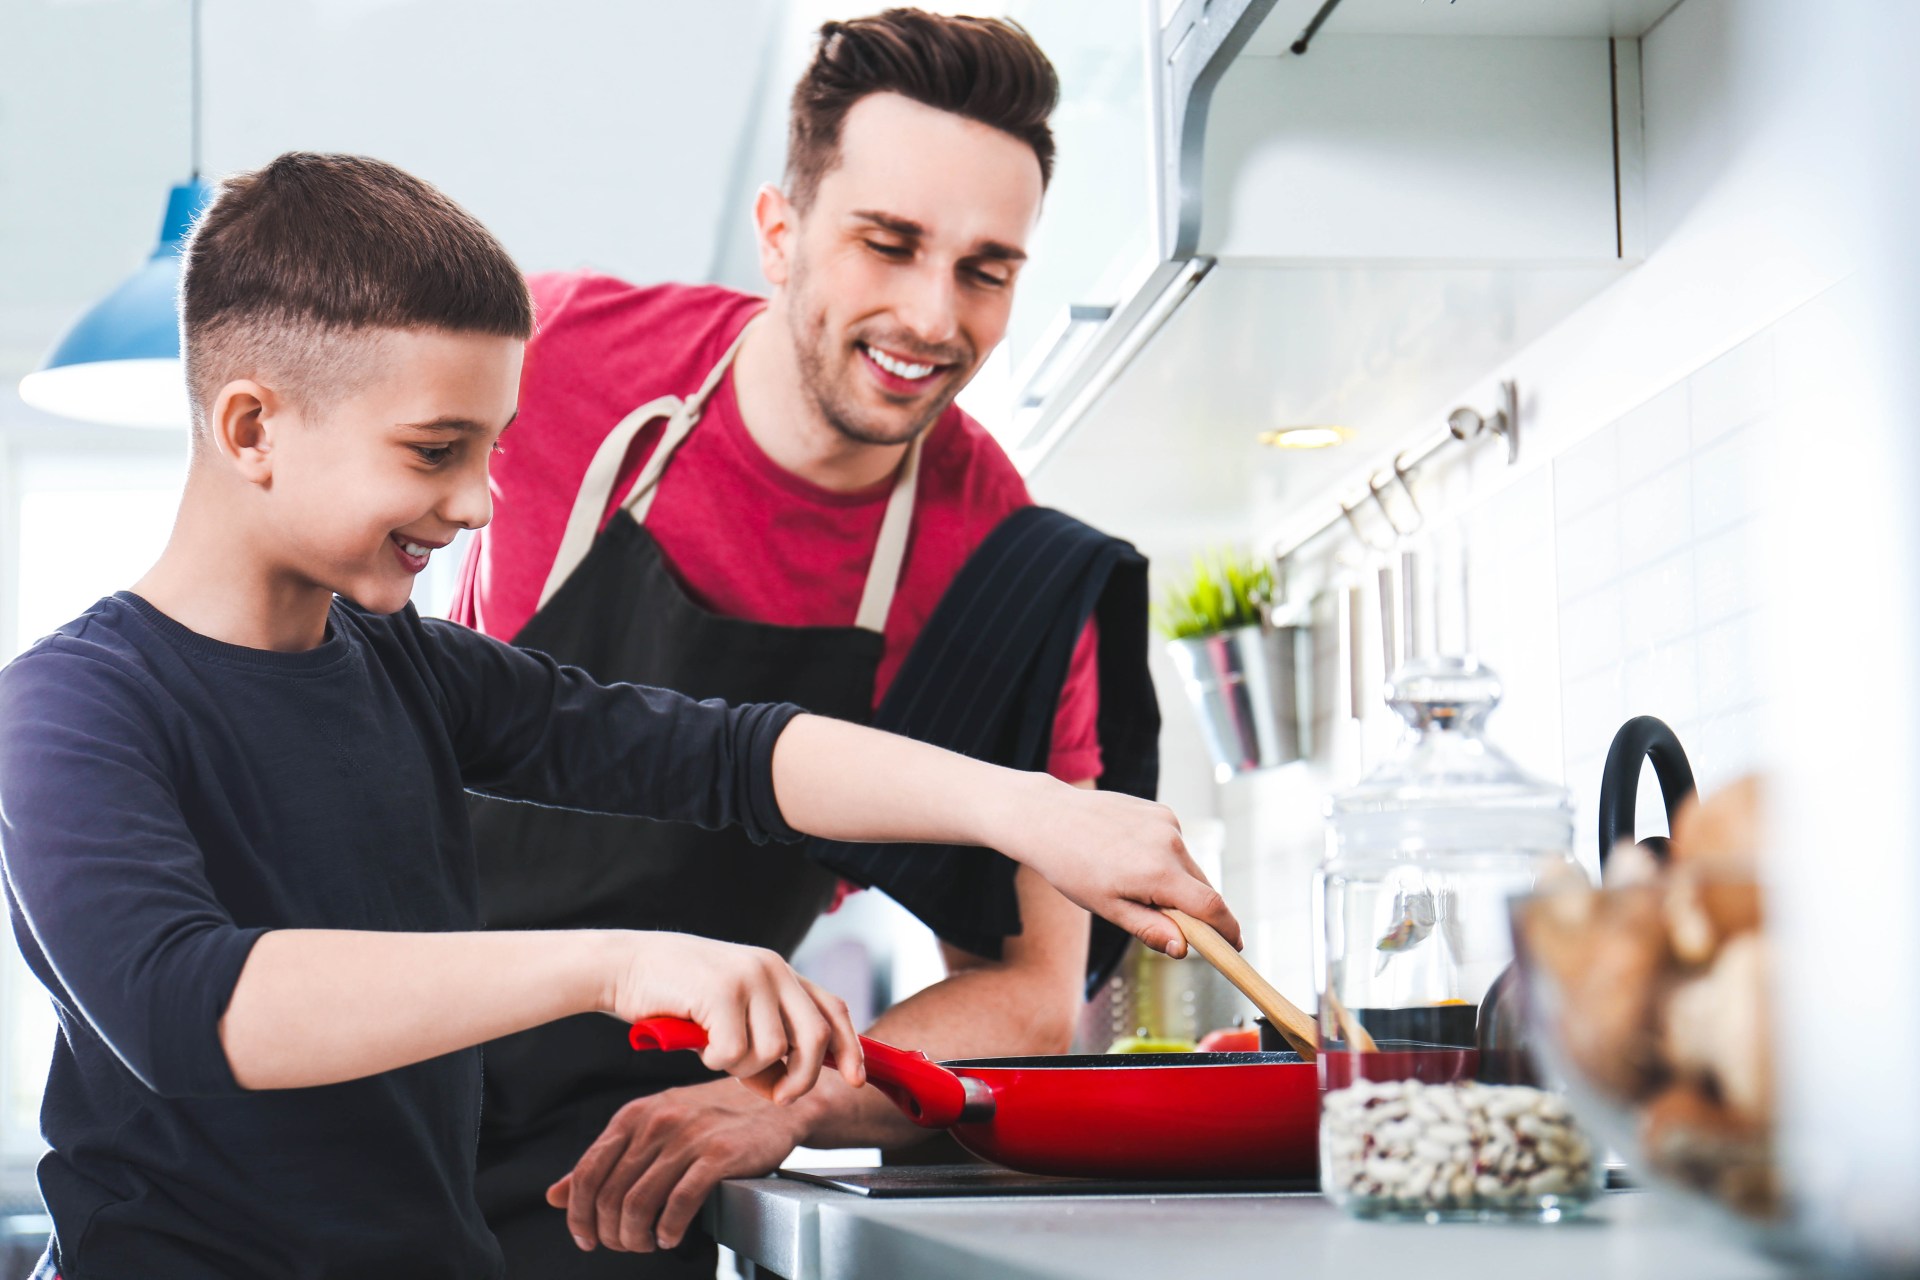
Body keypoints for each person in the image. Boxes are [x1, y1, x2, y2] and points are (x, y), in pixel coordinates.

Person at [0, 152, 1236, 1280]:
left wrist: (1033, 811)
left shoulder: (411, 670)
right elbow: (184, 1003)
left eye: (491, 450)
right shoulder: (69, 706)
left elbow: (727, 751)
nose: (479, 502)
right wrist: (613, 963)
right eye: (435, 450)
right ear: (252, 427)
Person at [452, 10, 1170, 1274]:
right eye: (886, 243)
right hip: (374, 1076)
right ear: (780, 233)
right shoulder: (546, 355)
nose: (931, 315)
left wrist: (784, 1104)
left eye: (986, 268)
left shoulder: (1004, 568)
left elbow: (1029, 993)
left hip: (623, 1174)